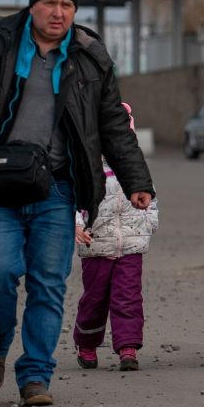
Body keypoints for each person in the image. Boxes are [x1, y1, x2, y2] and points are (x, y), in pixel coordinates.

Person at [0, 0, 154, 407]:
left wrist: (136, 180)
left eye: (67, 6)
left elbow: (112, 126)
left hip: (56, 190)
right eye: (50, 4)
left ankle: (35, 377)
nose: (58, 13)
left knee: (48, 283)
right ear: (33, 6)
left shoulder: (90, 56)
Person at [73, 102, 158, 372]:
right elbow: (73, 201)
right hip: (97, 244)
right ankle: (86, 343)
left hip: (131, 245)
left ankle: (128, 347)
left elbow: (150, 198)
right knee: (94, 299)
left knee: (128, 296)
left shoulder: (134, 170)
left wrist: (149, 222)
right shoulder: (86, 169)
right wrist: (76, 225)